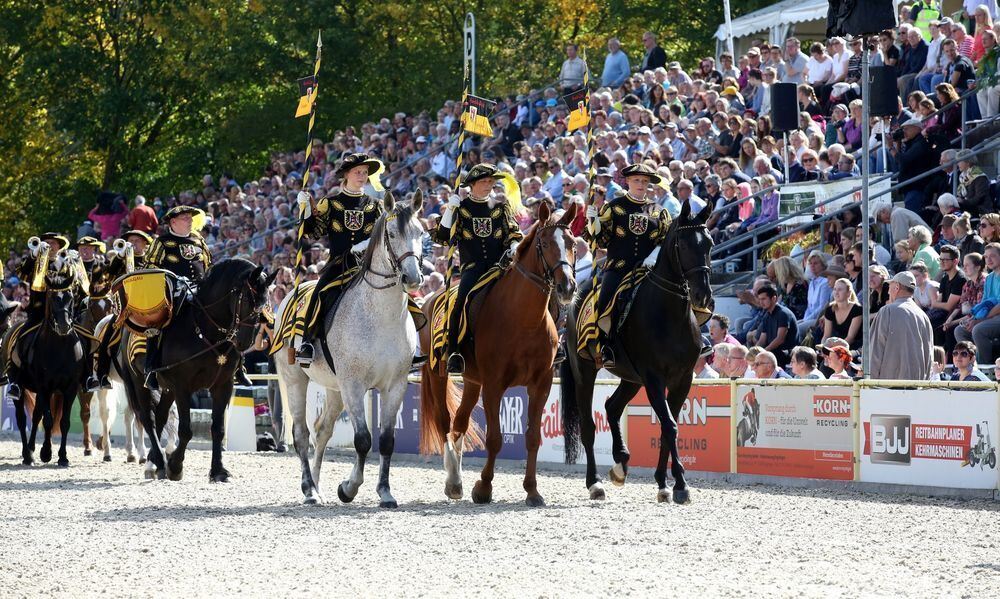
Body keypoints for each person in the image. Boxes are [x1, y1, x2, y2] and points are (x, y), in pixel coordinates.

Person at [293, 153, 384, 364]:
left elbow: (383, 235)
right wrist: (305, 210)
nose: (362, 176)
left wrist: (366, 246)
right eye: (357, 172)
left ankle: (408, 348)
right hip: (339, 265)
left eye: (365, 172)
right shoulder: (330, 203)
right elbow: (312, 233)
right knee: (319, 293)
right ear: (346, 174)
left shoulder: (376, 205)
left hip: (369, 264)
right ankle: (307, 342)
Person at [434, 163, 523, 374]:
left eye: (491, 181)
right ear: (472, 185)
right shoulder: (461, 208)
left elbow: (513, 233)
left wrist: (514, 245)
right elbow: (443, 236)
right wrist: (450, 210)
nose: (488, 185)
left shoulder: (500, 208)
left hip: (499, 268)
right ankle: (454, 351)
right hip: (473, 269)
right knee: (460, 301)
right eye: (484, 181)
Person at [587, 162, 670, 368]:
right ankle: (605, 346)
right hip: (618, 268)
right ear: (628, 182)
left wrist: (654, 256)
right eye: (636, 180)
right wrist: (593, 222)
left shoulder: (659, 211)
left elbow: (666, 240)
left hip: (649, 270)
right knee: (605, 299)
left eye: (644, 181)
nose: (641, 184)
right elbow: (601, 241)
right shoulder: (613, 207)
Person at [869, 271, 934, 380]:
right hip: (917, 385)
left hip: (887, 385)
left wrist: (869, 381)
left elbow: (875, 350)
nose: (888, 291)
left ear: (897, 287)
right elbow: (929, 355)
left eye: (889, 287)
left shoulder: (887, 311)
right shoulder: (923, 316)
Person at [956, 243, 1000, 361]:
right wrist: (973, 319)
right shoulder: (990, 278)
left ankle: (984, 367)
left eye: (992, 256)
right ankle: (969, 363)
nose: (988, 260)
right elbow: (983, 303)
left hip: (997, 316)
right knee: (960, 330)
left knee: (978, 329)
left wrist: (980, 320)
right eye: (986, 257)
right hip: (990, 316)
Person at [893, 118, 937, 214]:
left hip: (917, 188)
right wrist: (898, 144)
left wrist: (890, 148)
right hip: (910, 187)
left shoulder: (920, 143)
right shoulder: (911, 143)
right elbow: (900, 161)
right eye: (903, 129)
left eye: (906, 129)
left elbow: (904, 160)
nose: (904, 132)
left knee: (913, 217)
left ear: (917, 129)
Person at [747, 284, 798, 367]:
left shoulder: (783, 314)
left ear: (774, 298)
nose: (761, 302)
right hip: (773, 352)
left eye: (763, 299)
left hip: (786, 354)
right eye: (759, 299)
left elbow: (780, 339)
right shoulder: (767, 315)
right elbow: (762, 340)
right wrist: (753, 353)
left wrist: (764, 352)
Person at [822, 278, 864, 350]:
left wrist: (834, 350)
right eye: (835, 289)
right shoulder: (830, 309)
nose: (836, 292)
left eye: (840, 289)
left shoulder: (857, 309)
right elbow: (826, 335)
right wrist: (823, 347)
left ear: (848, 293)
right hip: (836, 346)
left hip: (854, 347)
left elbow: (850, 338)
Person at [799, 250, 833, 334]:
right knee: (791, 326)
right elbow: (809, 307)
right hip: (810, 318)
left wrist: (806, 320)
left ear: (822, 265)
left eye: (815, 263)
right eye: (810, 263)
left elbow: (822, 308)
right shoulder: (811, 283)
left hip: (818, 319)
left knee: (798, 329)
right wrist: (805, 319)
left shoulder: (825, 283)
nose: (812, 266)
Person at [956, 150, 993, 216]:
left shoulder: (979, 177)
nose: (957, 164)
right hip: (968, 207)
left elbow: (979, 198)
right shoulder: (962, 177)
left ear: (968, 162)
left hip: (980, 210)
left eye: (959, 161)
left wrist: (963, 201)